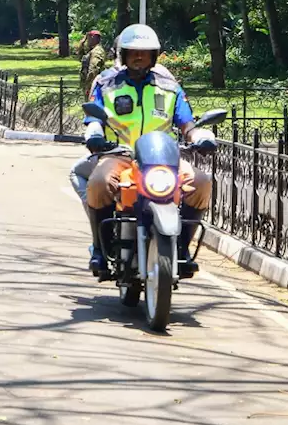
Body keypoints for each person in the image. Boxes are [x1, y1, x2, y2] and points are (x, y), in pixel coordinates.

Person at [77, 23, 216, 278]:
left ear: (154, 56)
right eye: (133, 52)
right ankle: (100, 248)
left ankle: (182, 247)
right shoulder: (107, 83)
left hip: (161, 158)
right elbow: (94, 116)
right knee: (98, 182)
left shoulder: (169, 86)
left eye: (145, 52)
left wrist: (200, 136)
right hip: (120, 155)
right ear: (123, 54)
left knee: (201, 182)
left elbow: (186, 122)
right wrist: (95, 133)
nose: (139, 57)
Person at [79, 30, 106, 96]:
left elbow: (93, 69)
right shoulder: (92, 50)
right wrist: (81, 44)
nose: (87, 40)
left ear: (93, 37)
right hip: (90, 85)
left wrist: (89, 86)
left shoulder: (97, 51)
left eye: (88, 37)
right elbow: (81, 58)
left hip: (93, 86)